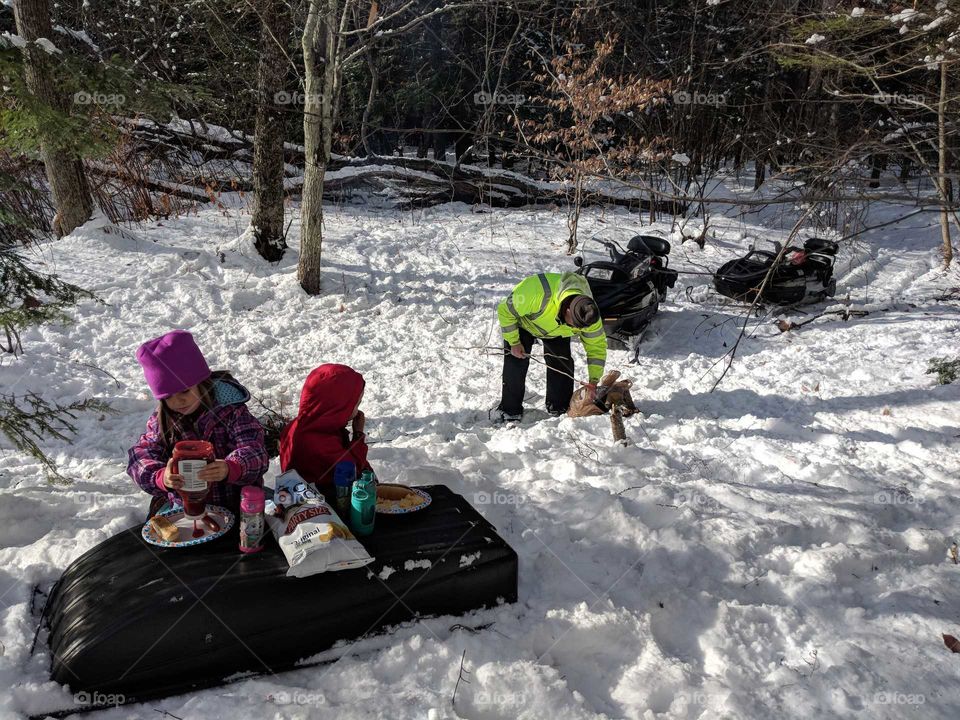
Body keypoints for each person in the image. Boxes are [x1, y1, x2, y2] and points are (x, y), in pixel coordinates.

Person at [127, 330, 269, 517]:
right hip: (185, 512)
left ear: (202, 383)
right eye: (168, 397)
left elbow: (255, 450)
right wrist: (161, 477)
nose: (178, 401)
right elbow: (139, 458)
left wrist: (232, 467)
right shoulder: (163, 421)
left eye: (185, 391)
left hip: (236, 508)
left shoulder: (232, 411)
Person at [492, 271, 607, 422]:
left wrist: (593, 381)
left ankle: (559, 407)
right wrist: (514, 342)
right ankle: (510, 411)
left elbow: (596, 347)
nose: (577, 330)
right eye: (575, 325)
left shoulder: (589, 315)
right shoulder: (536, 293)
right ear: (567, 311)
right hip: (523, 324)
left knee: (561, 363)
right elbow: (505, 310)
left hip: (556, 331)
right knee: (516, 363)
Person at [279, 364, 373, 501]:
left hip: (296, 498)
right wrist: (358, 435)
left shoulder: (302, 425)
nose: (358, 410)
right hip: (318, 505)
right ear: (338, 405)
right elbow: (353, 470)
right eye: (356, 404)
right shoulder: (319, 440)